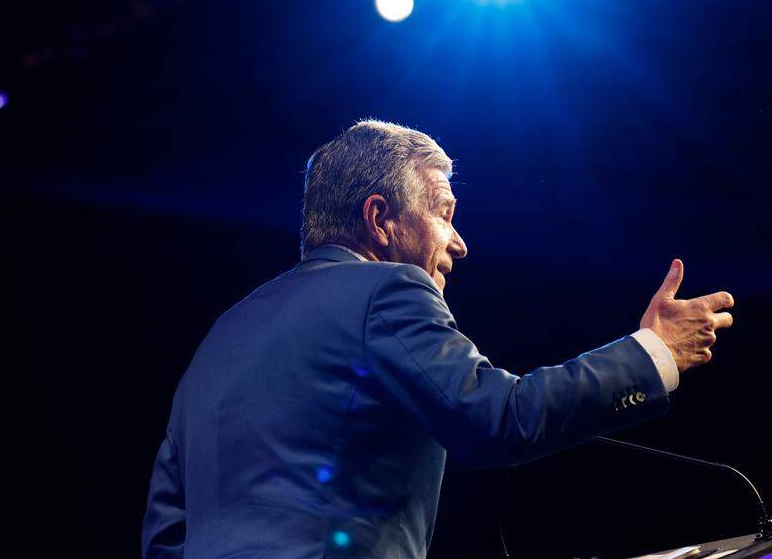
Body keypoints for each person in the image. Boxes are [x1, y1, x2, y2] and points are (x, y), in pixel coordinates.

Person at [141, 120, 735, 559]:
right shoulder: (384, 291)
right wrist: (653, 350)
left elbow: (165, 532)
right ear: (381, 220)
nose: (459, 243)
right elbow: (499, 417)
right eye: (445, 213)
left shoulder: (220, 338)